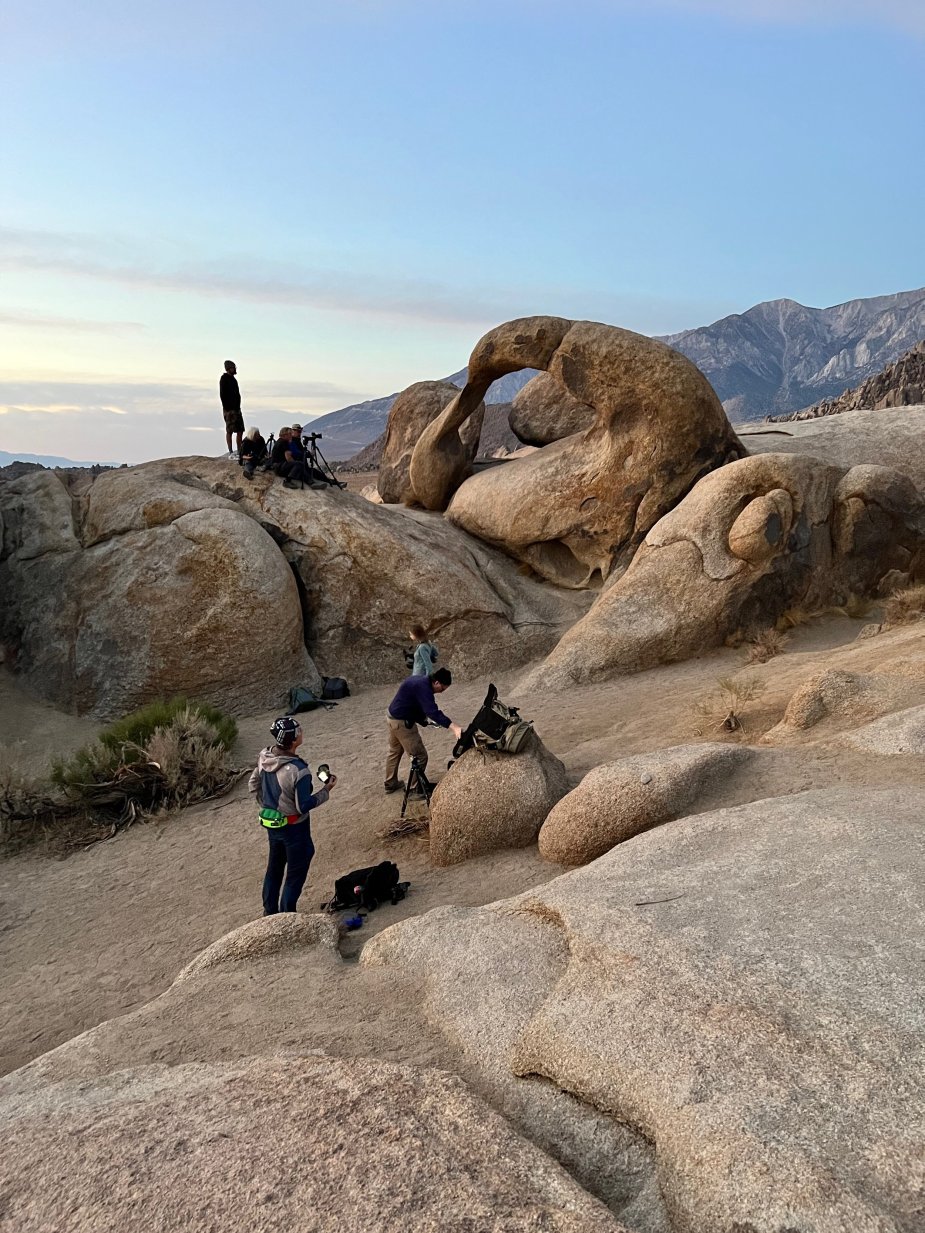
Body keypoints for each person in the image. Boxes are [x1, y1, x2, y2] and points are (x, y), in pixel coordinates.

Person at [249, 716, 337, 914]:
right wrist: (326, 790)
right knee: (296, 872)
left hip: (272, 823)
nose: (302, 732)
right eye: (299, 731)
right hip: (295, 828)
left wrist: (268, 805)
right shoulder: (299, 770)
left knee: (274, 868)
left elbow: (253, 784)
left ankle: (269, 913)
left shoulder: (264, 757)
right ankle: (287, 915)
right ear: (294, 738)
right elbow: (302, 806)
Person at [384, 667, 462, 793]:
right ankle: (415, 789)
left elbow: (416, 704)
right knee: (420, 756)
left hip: (392, 718)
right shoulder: (424, 687)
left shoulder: (420, 680)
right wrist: (453, 727)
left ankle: (390, 783)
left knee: (394, 751)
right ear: (436, 682)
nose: (441, 692)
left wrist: (422, 720)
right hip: (401, 722)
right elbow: (432, 711)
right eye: (442, 689)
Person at [219, 360, 244, 460]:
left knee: (240, 430)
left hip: (237, 409)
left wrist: (238, 406)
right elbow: (222, 395)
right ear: (228, 368)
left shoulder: (234, 380)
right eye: (233, 367)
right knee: (229, 431)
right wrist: (228, 407)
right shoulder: (224, 379)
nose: (235, 369)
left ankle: (239, 451)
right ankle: (231, 452)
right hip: (229, 410)